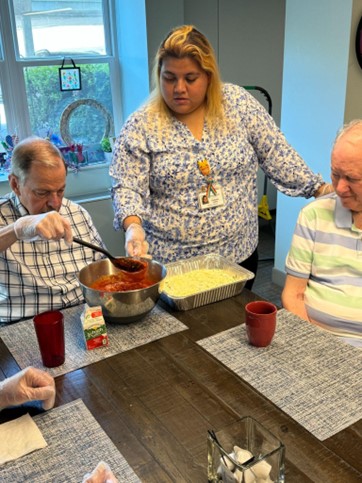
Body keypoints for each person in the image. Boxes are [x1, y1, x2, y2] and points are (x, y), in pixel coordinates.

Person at [110, 25, 331, 289]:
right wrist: (133, 226)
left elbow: (276, 153)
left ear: (209, 77)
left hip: (237, 256)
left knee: (236, 327)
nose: (179, 88)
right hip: (174, 264)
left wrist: (320, 189)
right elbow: (127, 186)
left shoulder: (238, 104)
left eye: (190, 78)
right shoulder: (142, 125)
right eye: (169, 78)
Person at [0, 137, 105, 323]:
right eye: (42, 193)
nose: (55, 203)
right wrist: (17, 229)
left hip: (82, 315)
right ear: (15, 185)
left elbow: (102, 270)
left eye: (60, 191)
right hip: (21, 324)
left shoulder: (77, 213)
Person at [282, 120, 362, 347]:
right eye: (335, 174)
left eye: (352, 179)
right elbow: (292, 295)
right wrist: (316, 348)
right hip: (313, 340)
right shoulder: (313, 216)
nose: (339, 188)